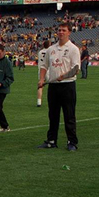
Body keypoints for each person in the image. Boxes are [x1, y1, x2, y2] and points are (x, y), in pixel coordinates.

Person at [37, 23, 81, 151]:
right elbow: (44, 66)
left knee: (69, 115)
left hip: (68, 86)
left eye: (64, 30)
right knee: (53, 115)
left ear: (69, 32)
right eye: (59, 30)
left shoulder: (73, 49)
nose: (61, 32)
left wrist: (65, 76)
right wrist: (41, 79)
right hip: (53, 86)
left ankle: (72, 142)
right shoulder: (51, 49)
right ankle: (51, 140)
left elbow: (76, 69)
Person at [35, 40, 49, 107]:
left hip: (41, 70)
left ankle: (39, 101)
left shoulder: (40, 52)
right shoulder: (50, 51)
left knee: (40, 85)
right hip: (48, 70)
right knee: (52, 86)